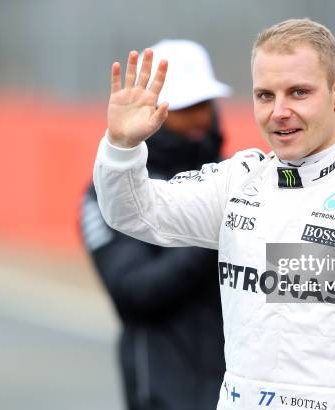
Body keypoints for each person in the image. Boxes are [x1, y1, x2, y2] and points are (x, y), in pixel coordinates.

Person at [93, 19, 335, 410]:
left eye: (298, 92)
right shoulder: (239, 180)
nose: (279, 111)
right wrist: (121, 147)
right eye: (264, 95)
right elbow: (134, 214)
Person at [80, 39, 229, 410]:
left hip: (239, 393)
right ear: (152, 111)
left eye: (204, 106)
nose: (199, 120)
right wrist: (219, 230)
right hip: (162, 395)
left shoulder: (234, 181)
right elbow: (135, 293)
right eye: (183, 108)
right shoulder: (110, 193)